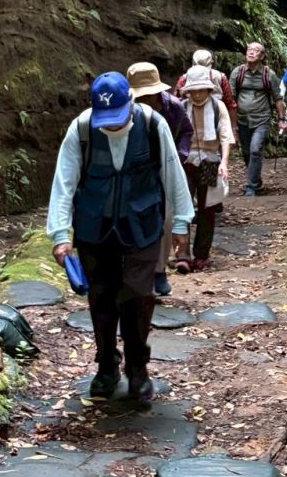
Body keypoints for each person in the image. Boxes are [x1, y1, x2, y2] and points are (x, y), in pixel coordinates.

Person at [46, 72, 194, 401]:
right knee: (101, 298)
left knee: (138, 295)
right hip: (94, 226)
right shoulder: (82, 129)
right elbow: (64, 182)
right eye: (105, 120)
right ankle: (106, 366)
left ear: (131, 103)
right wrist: (59, 233)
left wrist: (182, 223)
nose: (111, 126)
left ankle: (138, 368)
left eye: (117, 118)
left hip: (143, 224)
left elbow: (172, 172)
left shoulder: (153, 125)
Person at [126, 62, 193, 297]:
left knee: (165, 221)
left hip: (164, 167)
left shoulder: (173, 107)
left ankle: (159, 271)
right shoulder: (123, 110)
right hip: (134, 172)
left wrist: (179, 155)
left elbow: (187, 131)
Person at [178, 65, 234, 271]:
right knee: (182, 209)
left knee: (207, 209)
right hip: (186, 161)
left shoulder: (219, 107)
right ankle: (182, 254)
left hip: (210, 161)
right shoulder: (182, 107)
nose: (197, 94)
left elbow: (226, 135)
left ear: (209, 90)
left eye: (201, 90)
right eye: (194, 90)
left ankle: (202, 254)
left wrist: (224, 162)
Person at [229, 42, 287, 197]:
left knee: (255, 150)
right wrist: (232, 125)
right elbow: (231, 100)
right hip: (242, 119)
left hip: (262, 119)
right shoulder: (238, 73)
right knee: (247, 152)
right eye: (249, 50)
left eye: (256, 50)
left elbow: (278, 98)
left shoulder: (269, 75)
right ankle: (256, 180)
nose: (251, 52)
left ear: (262, 56)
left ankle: (251, 186)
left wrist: (282, 119)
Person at [174, 49, 238, 131]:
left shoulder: (220, 78)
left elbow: (230, 105)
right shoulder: (184, 80)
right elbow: (176, 105)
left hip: (216, 127)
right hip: (191, 127)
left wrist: (234, 129)